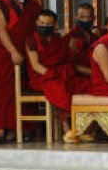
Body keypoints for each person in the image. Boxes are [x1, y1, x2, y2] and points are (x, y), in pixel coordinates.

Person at [0, 0, 41, 144]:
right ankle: (2, 129)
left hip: (29, 52)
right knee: (5, 90)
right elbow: (2, 31)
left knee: (27, 86)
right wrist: (13, 52)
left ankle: (26, 128)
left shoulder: (32, 6)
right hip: (6, 53)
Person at [25, 10, 91, 144]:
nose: (45, 26)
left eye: (49, 24)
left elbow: (69, 61)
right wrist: (53, 75)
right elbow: (36, 65)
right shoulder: (31, 40)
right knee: (59, 87)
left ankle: (82, 128)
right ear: (37, 23)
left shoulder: (58, 40)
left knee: (83, 85)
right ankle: (66, 128)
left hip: (62, 73)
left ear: (55, 24)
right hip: (42, 77)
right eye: (42, 23)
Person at [68, 3, 101, 76]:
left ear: (93, 18)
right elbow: (71, 64)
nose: (85, 20)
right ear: (76, 17)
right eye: (82, 17)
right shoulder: (72, 36)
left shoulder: (95, 37)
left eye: (88, 17)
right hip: (79, 75)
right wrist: (95, 73)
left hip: (96, 72)